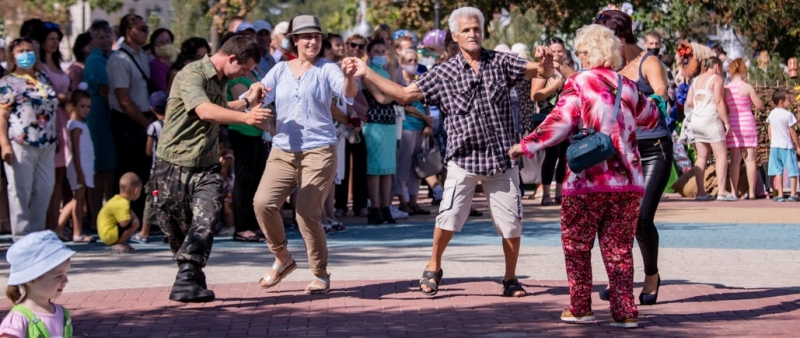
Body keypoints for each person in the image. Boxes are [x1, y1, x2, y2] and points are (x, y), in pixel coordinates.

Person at [350, 6, 557, 297]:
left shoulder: (501, 61)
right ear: (455, 36)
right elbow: (404, 95)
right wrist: (366, 72)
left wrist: (546, 63)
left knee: (512, 224)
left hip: (501, 159)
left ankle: (510, 279)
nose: (473, 34)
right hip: (463, 160)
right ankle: (433, 266)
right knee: (447, 218)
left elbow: (541, 72)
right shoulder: (442, 72)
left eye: (477, 29)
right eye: (466, 30)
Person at [510, 24, 660, 327]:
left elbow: (559, 122)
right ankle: (625, 312)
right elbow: (651, 117)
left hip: (586, 182)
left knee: (577, 246)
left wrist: (525, 145)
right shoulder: (629, 85)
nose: (579, 58)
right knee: (619, 250)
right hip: (627, 182)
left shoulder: (579, 82)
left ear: (590, 53)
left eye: (581, 52)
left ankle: (580, 307)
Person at [154, 34, 270, 303]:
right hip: (173, 164)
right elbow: (205, 110)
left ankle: (186, 279)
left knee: (206, 220)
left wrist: (247, 101)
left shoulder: (221, 80)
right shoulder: (191, 74)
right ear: (232, 58)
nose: (244, 75)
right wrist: (246, 118)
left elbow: (221, 108)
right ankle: (191, 275)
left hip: (206, 166)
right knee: (178, 228)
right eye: (244, 69)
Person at [252, 15, 358, 295]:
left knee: (306, 214)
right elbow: (260, 94)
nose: (313, 41)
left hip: (319, 150)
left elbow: (347, 93)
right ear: (295, 40)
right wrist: (250, 95)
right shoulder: (279, 69)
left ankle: (320, 273)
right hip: (283, 150)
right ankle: (282, 258)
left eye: (317, 36)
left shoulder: (327, 68)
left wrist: (349, 76)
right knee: (263, 204)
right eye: (306, 36)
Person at [595, 10, 674, 304]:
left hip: (654, 149)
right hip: (623, 151)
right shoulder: (610, 65)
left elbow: (662, 88)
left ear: (620, 36)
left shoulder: (647, 61)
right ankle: (619, 277)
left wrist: (655, 99)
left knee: (641, 218)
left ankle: (651, 274)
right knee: (615, 219)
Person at [0, 38, 58, 242]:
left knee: (45, 188)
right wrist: (4, 144)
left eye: (30, 50)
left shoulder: (43, 77)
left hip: (46, 143)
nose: (26, 54)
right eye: (21, 51)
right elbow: (2, 115)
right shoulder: (7, 82)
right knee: (20, 190)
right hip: (21, 142)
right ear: (12, 56)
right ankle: (21, 237)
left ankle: (36, 234)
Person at [107, 14, 153, 220]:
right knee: (126, 170)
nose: (146, 32)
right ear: (129, 31)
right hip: (127, 120)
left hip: (143, 116)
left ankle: (140, 217)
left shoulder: (141, 55)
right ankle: (120, 218)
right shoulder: (119, 59)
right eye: (142, 29)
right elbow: (123, 99)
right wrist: (145, 124)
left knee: (143, 169)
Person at [224, 33, 269, 242]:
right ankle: (242, 227)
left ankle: (253, 223)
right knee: (243, 180)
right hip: (242, 132)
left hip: (257, 134)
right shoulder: (237, 78)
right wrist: (273, 129)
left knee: (256, 180)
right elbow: (247, 107)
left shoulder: (252, 73)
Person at [33, 22, 73, 236]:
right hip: (50, 121)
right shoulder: (39, 65)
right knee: (50, 178)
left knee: (60, 176)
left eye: (57, 39)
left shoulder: (58, 63)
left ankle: (56, 225)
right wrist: (63, 97)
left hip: (64, 119)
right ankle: (48, 225)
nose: (54, 43)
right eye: (51, 39)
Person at [0, 231, 75, 337]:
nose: (66, 280)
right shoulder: (18, 319)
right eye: (58, 276)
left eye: (66, 273)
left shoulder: (63, 314)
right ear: (31, 279)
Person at [361, 38, 399, 224]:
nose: (380, 55)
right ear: (369, 54)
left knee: (388, 168)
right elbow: (381, 98)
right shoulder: (366, 74)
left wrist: (391, 68)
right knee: (375, 168)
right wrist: (393, 94)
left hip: (389, 122)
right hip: (374, 121)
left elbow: (395, 91)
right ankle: (374, 207)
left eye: (382, 52)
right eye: (376, 51)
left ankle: (386, 206)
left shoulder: (386, 72)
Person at [84, 20, 117, 229]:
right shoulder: (95, 60)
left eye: (108, 36)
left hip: (107, 114)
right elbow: (105, 89)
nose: (105, 41)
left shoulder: (111, 56)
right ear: (93, 40)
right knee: (99, 169)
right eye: (100, 37)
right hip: (98, 114)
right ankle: (96, 217)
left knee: (109, 169)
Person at [531, 37, 571, 206]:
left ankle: (560, 194)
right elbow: (535, 96)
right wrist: (554, 87)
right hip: (549, 118)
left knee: (565, 156)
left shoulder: (568, 69)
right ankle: (546, 193)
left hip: (568, 118)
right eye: (552, 51)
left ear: (565, 52)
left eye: (559, 51)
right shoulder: (544, 69)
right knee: (551, 154)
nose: (556, 54)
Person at [687, 57, 733, 201]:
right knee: (721, 155)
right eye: (722, 68)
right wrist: (726, 122)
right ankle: (722, 191)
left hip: (696, 120)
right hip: (711, 120)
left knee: (701, 157)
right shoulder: (716, 79)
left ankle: (701, 192)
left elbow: (689, 102)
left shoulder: (695, 80)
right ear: (717, 66)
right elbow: (718, 101)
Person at [334, 33, 370, 218]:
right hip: (341, 119)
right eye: (353, 45)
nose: (356, 48)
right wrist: (348, 115)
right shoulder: (335, 67)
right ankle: (340, 204)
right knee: (342, 163)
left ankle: (360, 204)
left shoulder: (365, 69)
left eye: (361, 46)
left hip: (360, 120)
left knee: (360, 161)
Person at [394, 48, 433, 215]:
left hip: (420, 128)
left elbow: (426, 103)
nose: (413, 64)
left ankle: (413, 201)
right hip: (406, 127)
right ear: (401, 63)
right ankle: (402, 201)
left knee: (417, 167)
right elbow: (406, 107)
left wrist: (428, 124)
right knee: (403, 165)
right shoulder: (398, 82)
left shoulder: (419, 81)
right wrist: (425, 118)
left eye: (415, 60)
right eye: (409, 61)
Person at [57, 90, 96, 243]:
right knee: (77, 200)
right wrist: (79, 171)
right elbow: (75, 150)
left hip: (84, 166)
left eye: (88, 107)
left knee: (78, 200)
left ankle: (70, 231)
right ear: (73, 106)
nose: (86, 110)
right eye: (82, 106)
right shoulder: (75, 125)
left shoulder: (79, 124)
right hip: (79, 166)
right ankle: (72, 231)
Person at [725, 58, 764, 199]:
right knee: (750, 159)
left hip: (733, 124)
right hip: (747, 123)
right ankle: (752, 192)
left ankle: (734, 192)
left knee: (735, 160)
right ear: (743, 70)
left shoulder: (726, 89)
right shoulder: (747, 87)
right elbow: (759, 105)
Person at [132, 91, 167, 244]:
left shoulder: (153, 127)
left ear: (151, 108)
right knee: (170, 200)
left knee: (151, 200)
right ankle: (170, 231)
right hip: (172, 170)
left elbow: (148, 151)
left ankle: (144, 233)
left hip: (156, 170)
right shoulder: (173, 124)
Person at [766, 90, 800, 201]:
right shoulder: (788, 115)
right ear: (781, 102)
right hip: (787, 147)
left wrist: (771, 140)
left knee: (778, 171)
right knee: (793, 171)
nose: (790, 102)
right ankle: (793, 194)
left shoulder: (772, 113)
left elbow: (769, 127)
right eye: (788, 100)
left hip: (775, 147)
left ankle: (780, 195)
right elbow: (792, 132)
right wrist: (798, 146)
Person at [97, 172, 141, 253]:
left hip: (105, 233)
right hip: (109, 235)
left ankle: (118, 242)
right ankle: (118, 244)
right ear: (136, 190)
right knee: (135, 222)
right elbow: (124, 223)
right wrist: (132, 214)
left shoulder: (116, 199)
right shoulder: (123, 203)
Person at [148, 28, 175, 92]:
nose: (165, 44)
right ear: (154, 47)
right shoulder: (153, 66)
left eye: (168, 41)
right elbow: (164, 89)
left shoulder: (176, 63)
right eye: (160, 42)